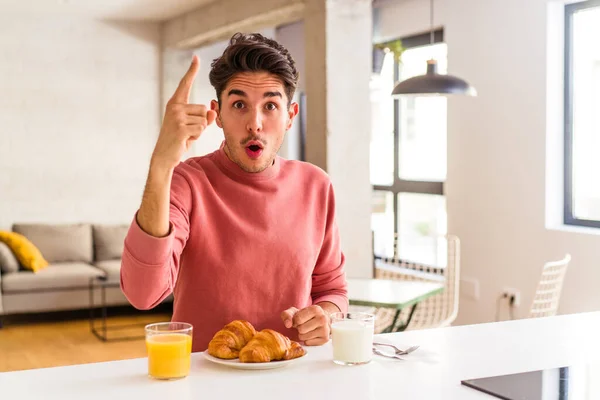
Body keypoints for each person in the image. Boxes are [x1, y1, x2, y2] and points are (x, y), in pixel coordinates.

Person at [120, 32, 348, 352]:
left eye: (270, 105)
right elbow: (143, 294)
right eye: (239, 104)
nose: (254, 123)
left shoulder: (316, 186)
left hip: (294, 375)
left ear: (290, 116)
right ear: (218, 113)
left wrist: (326, 316)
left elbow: (333, 289)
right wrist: (161, 165)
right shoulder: (188, 182)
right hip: (204, 380)